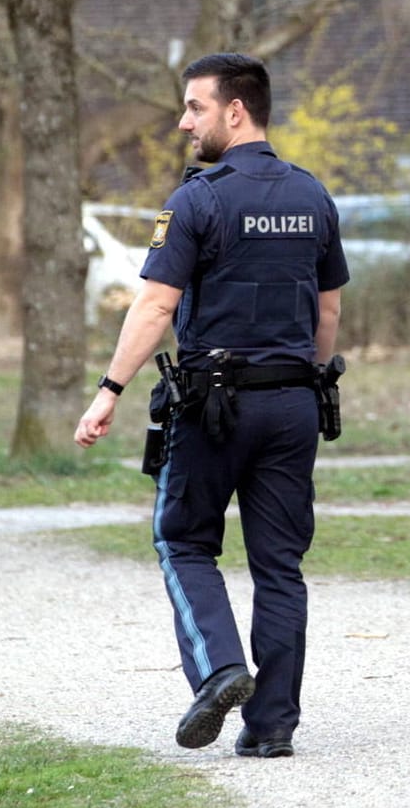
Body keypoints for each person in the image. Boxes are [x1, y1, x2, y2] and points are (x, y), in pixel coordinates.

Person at [74, 52, 348, 756]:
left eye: (194, 107)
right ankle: (272, 730)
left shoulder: (197, 199)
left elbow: (156, 303)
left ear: (235, 110)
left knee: (184, 541)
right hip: (292, 405)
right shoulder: (313, 196)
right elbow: (328, 311)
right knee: (279, 567)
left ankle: (220, 667)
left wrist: (109, 391)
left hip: (212, 405)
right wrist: (308, 378)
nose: (183, 121)